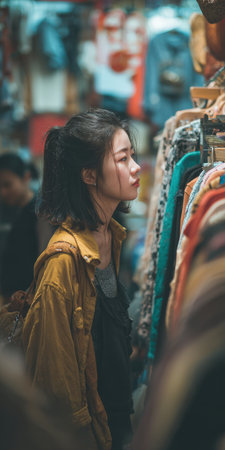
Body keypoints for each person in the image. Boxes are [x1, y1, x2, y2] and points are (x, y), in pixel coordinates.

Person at [22, 108, 141, 450]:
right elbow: (54, 380)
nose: (135, 168)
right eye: (123, 159)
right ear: (89, 175)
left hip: (116, 415)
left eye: (132, 156)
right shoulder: (62, 262)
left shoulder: (111, 236)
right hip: (89, 432)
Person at [0, 154, 52, 303]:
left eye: (7, 185)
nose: (2, 192)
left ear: (26, 178)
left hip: (28, 302)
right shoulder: (8, 211)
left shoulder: (39, 213)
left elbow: (44, 259)